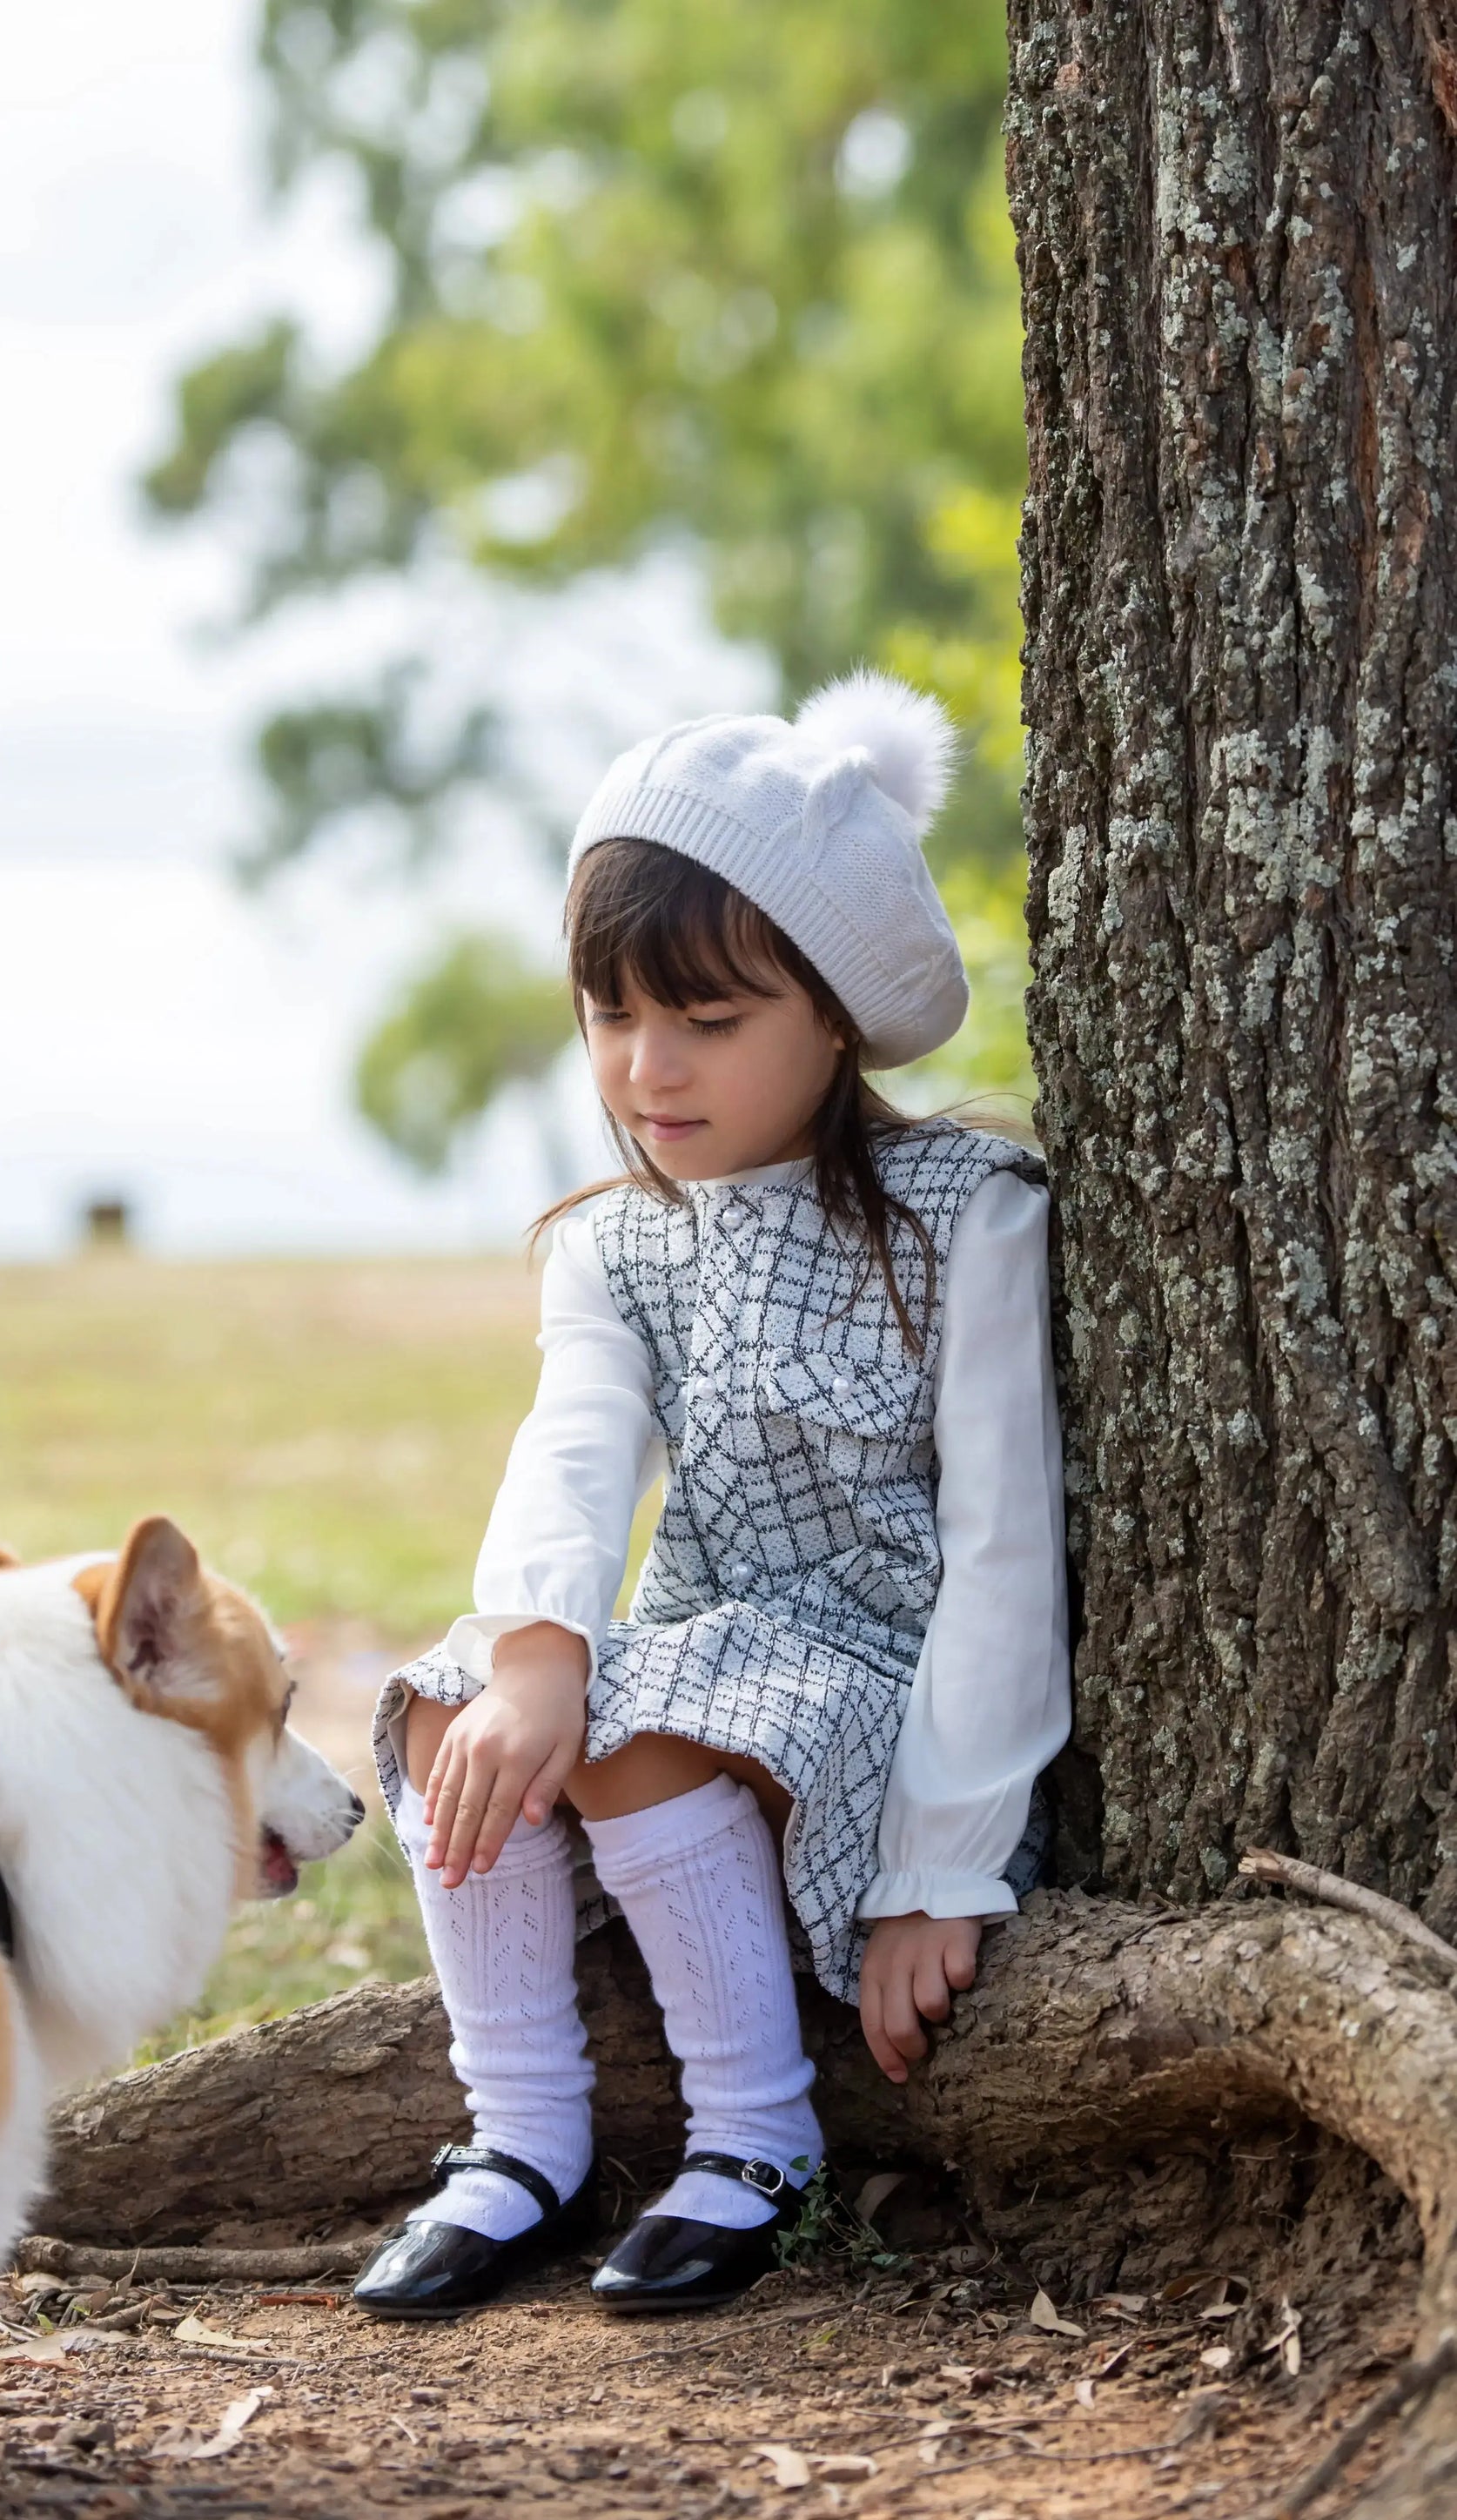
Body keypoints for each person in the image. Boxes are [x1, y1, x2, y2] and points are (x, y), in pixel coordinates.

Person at [354, 671, 1070, 2319]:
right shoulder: (614, 1240)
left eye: (708, 1022)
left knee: (638, 1730)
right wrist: (537, 1649)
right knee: (435, 1710)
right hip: (698, 1649)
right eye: (610, 1014)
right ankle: (519, 2133)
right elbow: (577, 1437)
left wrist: (937, 1865)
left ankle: (756, 2135)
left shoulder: (963, 1210)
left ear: (833, 1011)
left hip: (890, 1685)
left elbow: (1004, 1544)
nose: (645, 1070)